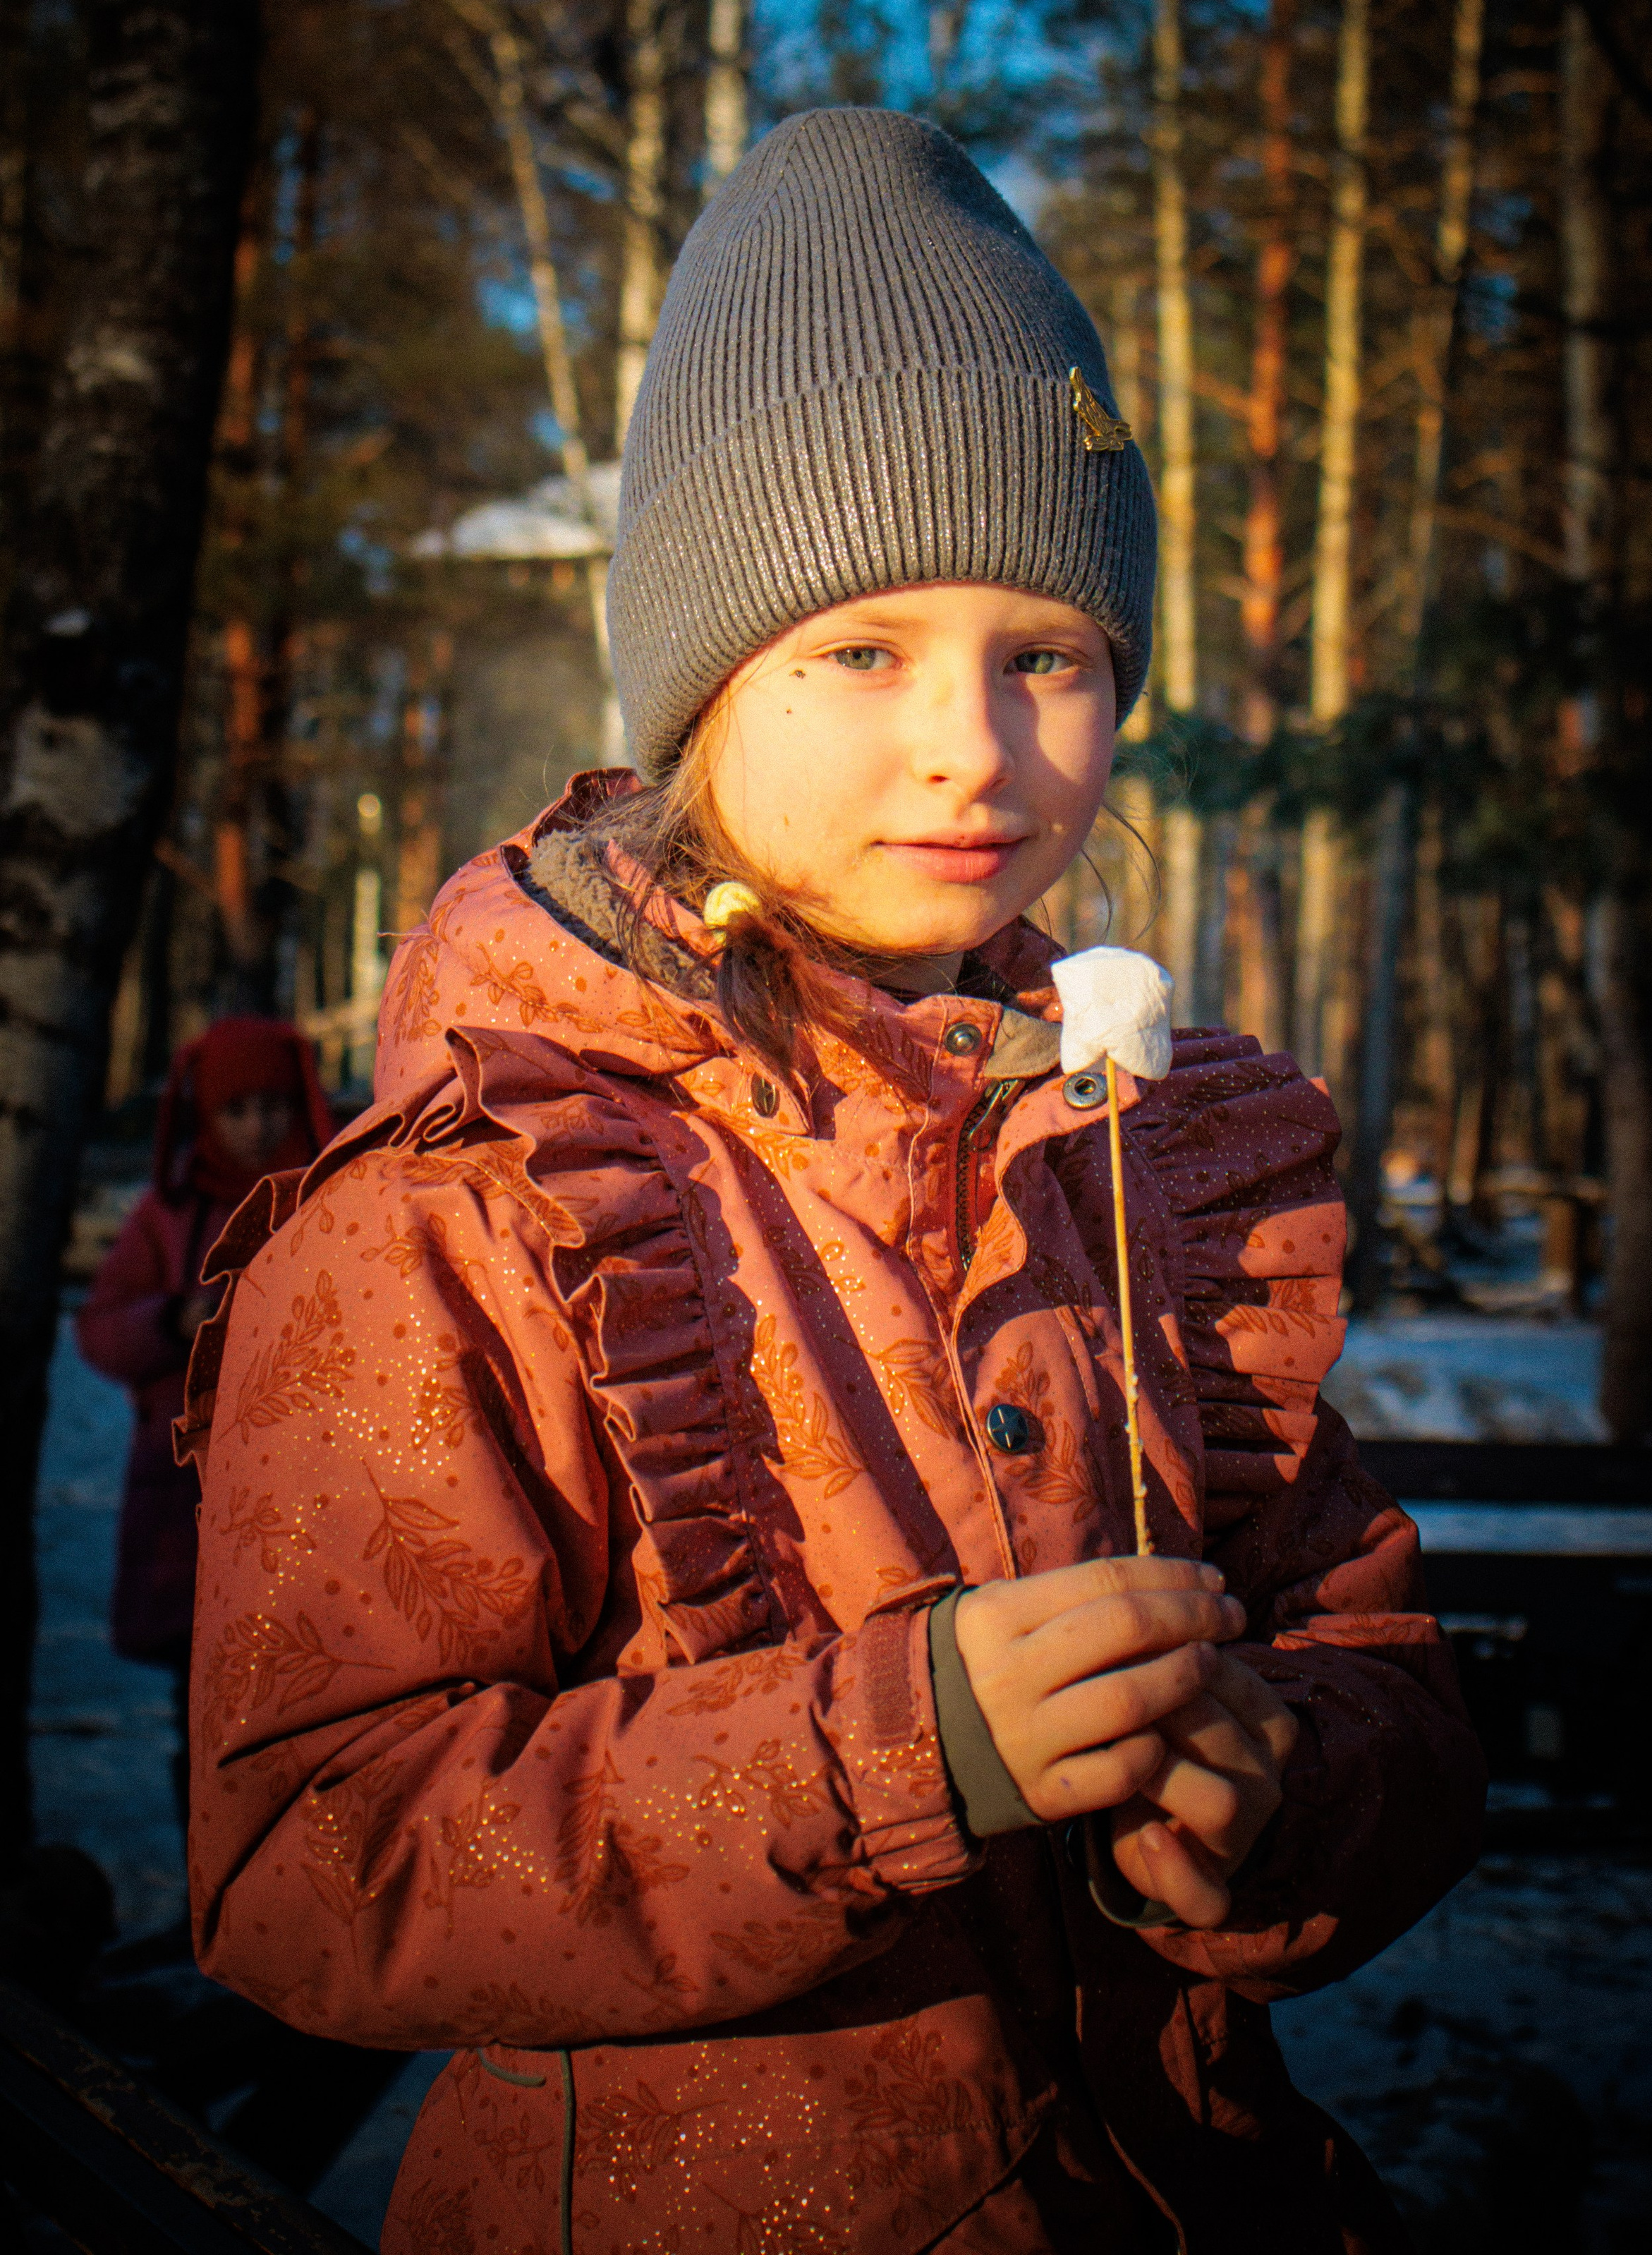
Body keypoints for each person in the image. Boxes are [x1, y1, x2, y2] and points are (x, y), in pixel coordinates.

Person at [181, 110, 1485, 2254]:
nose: (972, 741)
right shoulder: (472, 1201)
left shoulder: (1158, 1166)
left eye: (1044, 652)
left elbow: (1386, 1654)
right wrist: (902, 1747)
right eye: (860, 648)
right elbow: (314, 1851)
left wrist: (1286, 1774)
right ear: (700, 682)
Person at [77, 1015, 331, 1823]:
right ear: (206, 1116)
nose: (259, 1126)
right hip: (191, 1501)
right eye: (238, 1109)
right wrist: (172, 1320)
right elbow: (100, 1327)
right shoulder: (170, 1214)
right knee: (207, 1711)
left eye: (274, 1106)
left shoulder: (329, 1200)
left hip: (311, 1493)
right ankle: (213, 1893)